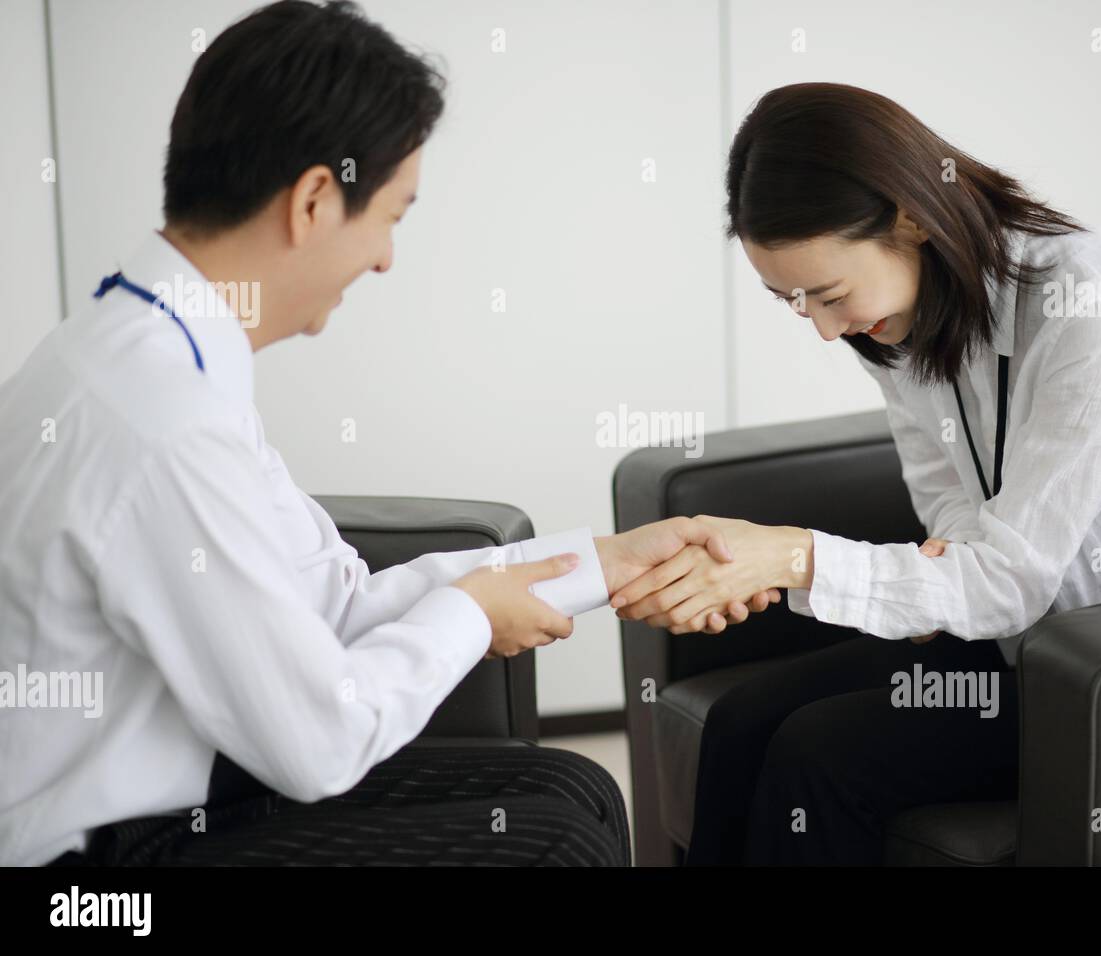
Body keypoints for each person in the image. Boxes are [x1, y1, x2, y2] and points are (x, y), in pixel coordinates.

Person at [0, 0, 778, 868]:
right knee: (552, 844)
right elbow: (320, 740)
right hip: (95, 872)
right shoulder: (160, 417)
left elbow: (330, 603)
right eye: (393, 216)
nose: (385, 259)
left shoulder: (160, 352)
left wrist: (602, 564)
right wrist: (469, 615)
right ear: (315, 200)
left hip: (188, 791)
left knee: (578, 787)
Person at [609, 82, 1101, 864]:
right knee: (743, 720)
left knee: (820, 755)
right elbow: (953, 516)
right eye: (793, 303)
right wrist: (938, 578)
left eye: (829, 294)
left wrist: (793, 556)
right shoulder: (900, 316)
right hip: (1022, 635)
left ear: (912, 218)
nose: (825, 331)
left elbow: (1008, 581)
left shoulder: (1097, 299)